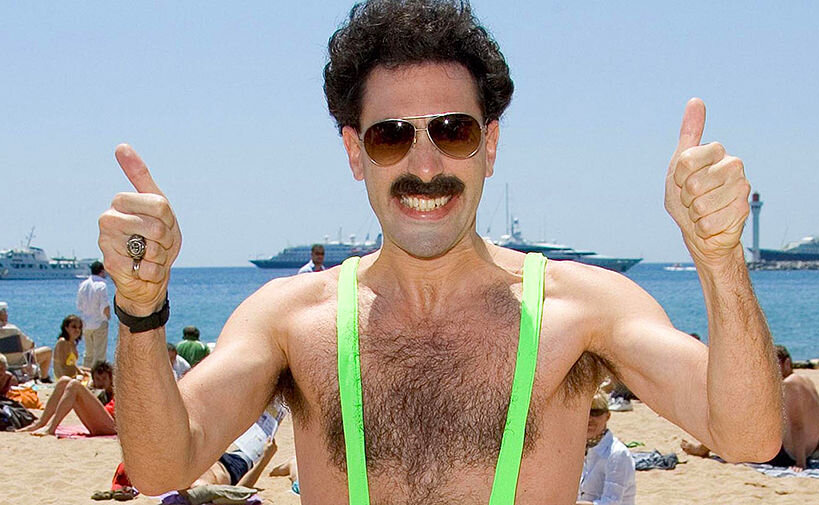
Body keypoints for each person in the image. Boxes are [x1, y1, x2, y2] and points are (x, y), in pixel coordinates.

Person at [97, 0, 782, 501]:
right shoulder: (290, 319)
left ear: (490, 144)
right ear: (354, 152)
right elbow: (162, 465)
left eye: (452, 131)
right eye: (391, 136)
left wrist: (719, 257)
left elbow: (748, 434)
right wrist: (140, 308)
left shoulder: (582, 309)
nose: (425, 166)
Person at [682, 345, 819, 470]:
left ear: (787, 363)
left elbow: (797, 426)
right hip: (810, 449)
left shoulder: (789, 384)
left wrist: (800, 462)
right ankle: (706, 446)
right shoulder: (806, 380)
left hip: (791, 455)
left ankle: (703, 447)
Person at [17, 360, 116, 436]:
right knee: (64, 381)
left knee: (74, 385)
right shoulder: (96, 391)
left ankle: (51, 427)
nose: (101, 383)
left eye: (104, 379)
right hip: (97, 422)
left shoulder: (116, 392)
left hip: (112, 426)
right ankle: (40, 423)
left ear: (111, 379)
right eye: (98, 379)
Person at [577, 393, 635, 505]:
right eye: (584, 412)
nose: (589, 418)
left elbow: (611, 502)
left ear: (607, 416)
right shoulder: (578, 448)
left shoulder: (617, 454)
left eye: (596, 413)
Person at [0, 301, 53, 383]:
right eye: (5, 312)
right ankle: (44, 378)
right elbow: (30, 345)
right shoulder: (13, 330)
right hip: (20, 364)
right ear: (2, 315)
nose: (7, 315)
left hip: (3, 365)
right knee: (47, 351)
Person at [77, 260, 111, 369]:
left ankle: (86, 374)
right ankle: (98, 375)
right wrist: (108, 317)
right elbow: (105, 305)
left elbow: (79, 305)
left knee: (88, 354)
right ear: (102, 271)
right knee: (100, 354)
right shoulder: (102, 285)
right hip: (99, 321)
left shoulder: (83, 285)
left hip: (86, 322)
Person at [53, 314, 91, 379]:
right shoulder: (62, 342)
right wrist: (80, 373)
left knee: (94, 371)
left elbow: (72, 364)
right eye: (74, 327)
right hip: (64, 379)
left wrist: (81, 372)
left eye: (79, 327)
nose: (77, 330)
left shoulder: (72, 343)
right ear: (66, 328)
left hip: (72, 376)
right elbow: (62, 366)